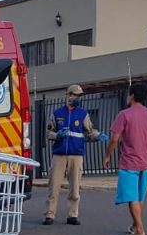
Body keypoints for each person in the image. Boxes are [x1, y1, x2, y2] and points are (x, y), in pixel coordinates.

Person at [102, 84, 147, 235]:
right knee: (139, 197)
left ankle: (140, 230)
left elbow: (115, 139)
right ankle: (134, 225)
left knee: (132, 197)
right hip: (146, 161)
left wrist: (107, 155)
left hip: (130, 162)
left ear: (131, 96)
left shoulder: (124, 115)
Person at [43, 84, 108, 225]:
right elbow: (48, 133)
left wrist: (98, 136)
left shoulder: (83, 114)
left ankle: (72, 214)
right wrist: (57, 135)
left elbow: (89, 132)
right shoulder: (57, 113)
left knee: (75, 186)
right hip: (59, 155)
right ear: (69, 95)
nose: (77, 98)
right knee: (54, 186)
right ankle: (50, 214)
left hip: (76, 154)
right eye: (76, 95)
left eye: (79, 96)